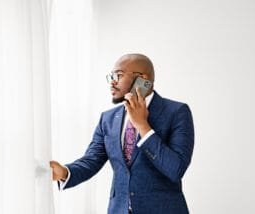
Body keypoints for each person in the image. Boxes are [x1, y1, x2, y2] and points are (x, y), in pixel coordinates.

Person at [50, 53, 194, 214]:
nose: (112, 82)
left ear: (142, 78)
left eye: (118, 75)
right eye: (111, 76)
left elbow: (176, 169)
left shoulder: (177, 112)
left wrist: (142, 125)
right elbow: (92, 160)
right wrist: (64, 172)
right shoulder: (108, 118)